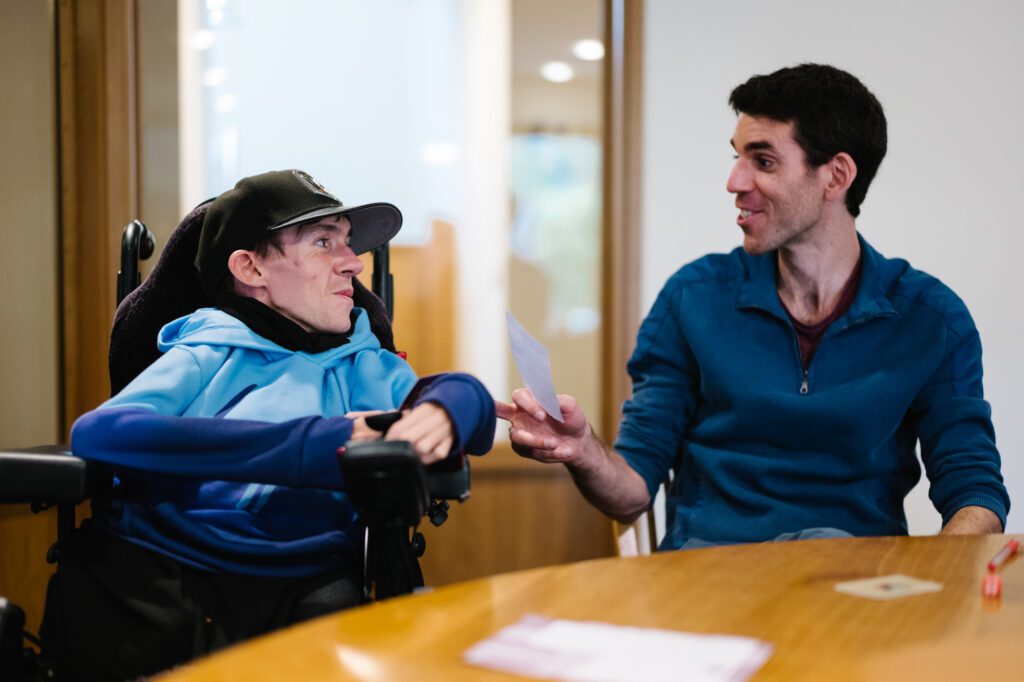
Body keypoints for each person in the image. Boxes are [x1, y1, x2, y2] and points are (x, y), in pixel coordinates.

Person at [497, 63, 1009, 550]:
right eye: (736, 156)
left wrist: (933, 585)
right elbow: (632, 489)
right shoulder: (692, 297)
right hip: (711, 581)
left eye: (762, 161)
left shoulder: (932, 318)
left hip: (856, 592)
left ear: (836, 177)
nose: (735, 182)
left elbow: (974, 491)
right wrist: (584, 451)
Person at [41, 169, 496, 680]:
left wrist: (443, 411)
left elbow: (462, 395)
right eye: (325, 242)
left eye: (348, 242)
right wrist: (320, 445)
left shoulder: (364, 361)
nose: (353, 263)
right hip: (166, 561)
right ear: (251, 269)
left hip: (305, 577)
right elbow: (100, 433)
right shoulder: (207, 352)